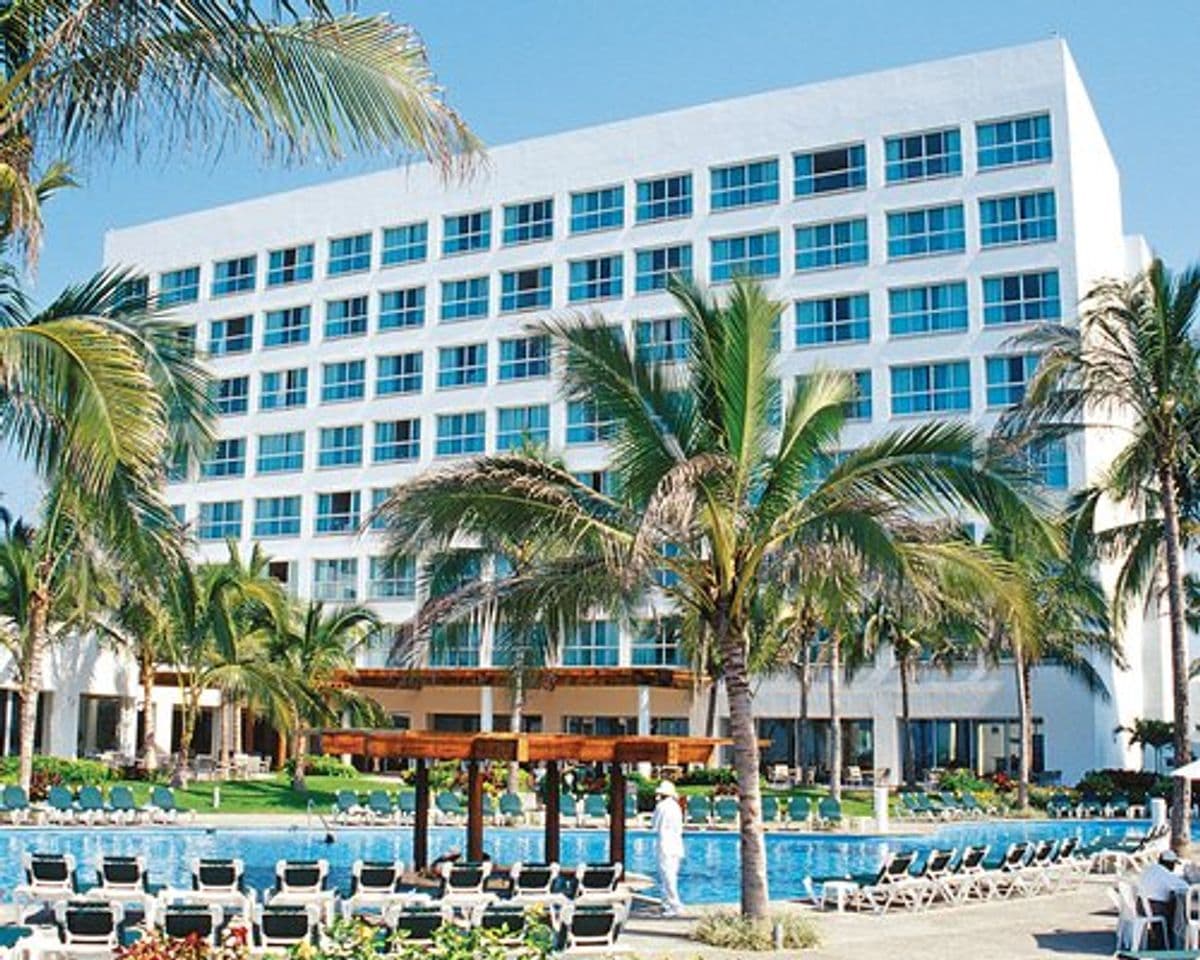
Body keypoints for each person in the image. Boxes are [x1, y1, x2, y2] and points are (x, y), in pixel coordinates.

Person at [1137, 849, 1189, 947]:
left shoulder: (1150, 868)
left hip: (1140, 906)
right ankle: (1172, 941)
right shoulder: (1165, 873)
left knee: (1170, 903)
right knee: (1176, 908)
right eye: (1173, 864)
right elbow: (1185, 887)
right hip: (1154, 908)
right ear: (1169, 864)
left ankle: (1160, 938)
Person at [651, 780, 685, 917]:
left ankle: (674, 905)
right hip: (677, 845)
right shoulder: (676, 807)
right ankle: (667, 903)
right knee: (672, 875)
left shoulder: (661, 807)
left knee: (667, 876)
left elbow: (654, 825)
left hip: (665, 845)